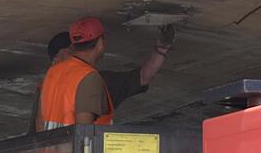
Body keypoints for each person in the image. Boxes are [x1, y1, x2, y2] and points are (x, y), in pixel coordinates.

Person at [35, 18, 175, 131]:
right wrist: (162, 48)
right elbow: (83, 134)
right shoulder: (89, 78)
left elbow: (39, 124)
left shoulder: (51, 75)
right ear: (101, 43)